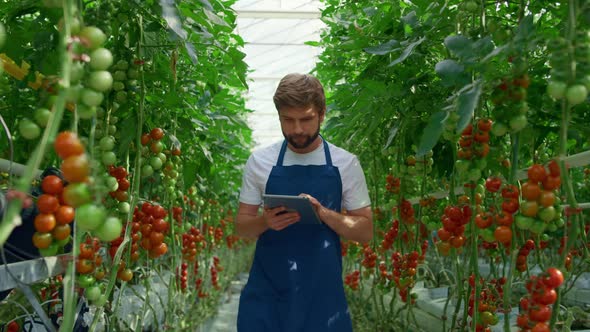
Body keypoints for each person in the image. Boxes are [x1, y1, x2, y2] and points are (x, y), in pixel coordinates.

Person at [235, 73, 373, 332]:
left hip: (322, 299)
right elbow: (241, 227)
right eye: (288, 120)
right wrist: (265, 221)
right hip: (267, 295)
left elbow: (365, 231)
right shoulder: (260, 162)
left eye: (306, 119)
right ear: (279, 117)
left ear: (322, 114)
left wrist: (324, 214)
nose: (297, 129)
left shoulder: (346, 164)